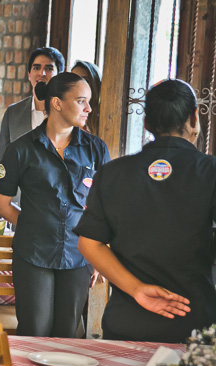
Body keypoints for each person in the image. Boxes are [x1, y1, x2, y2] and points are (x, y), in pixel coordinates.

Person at [76, 79, 216, 343]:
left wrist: (137, 289)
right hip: (194, 325)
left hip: (128, 322)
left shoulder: (112, 173)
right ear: (194, 118)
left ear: (146, 123)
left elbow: (89, 243)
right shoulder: (210, 172)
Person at [0, 73, 110, 337]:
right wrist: (33, 224)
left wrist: (99, 255)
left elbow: (105, 207)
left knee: (67, 334)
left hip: (78, 255)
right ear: (57, 103)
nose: (89, 109)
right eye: (81, 101)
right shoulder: (21, 149)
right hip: (33, 253)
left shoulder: (96, 149)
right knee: (35, 330)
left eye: (89, 101)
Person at [0, 46, 65, 166]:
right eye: (36, 68)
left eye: (49, 68)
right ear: (29, 74)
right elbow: (2, 161)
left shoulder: (67, 113)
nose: (41, 73)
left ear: (59, 75)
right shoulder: (12, 113)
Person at [71, 60, 102, 135]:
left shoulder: (103, 115)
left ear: (95, 83)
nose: (79, 85)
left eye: (86, 81)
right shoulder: (66, 113)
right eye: (74, 80)